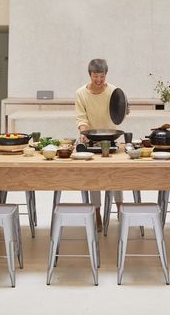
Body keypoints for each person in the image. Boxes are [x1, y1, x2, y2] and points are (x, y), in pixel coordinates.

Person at [75, 58, 123, 231]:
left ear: (106, 75)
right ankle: (97, 213)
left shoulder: (113, 91)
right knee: (95, 177)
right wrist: (84, 132)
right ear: (90, 75)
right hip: (91, 138)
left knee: (116, 175)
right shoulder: (81, 93)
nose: (99, 80)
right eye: (95, 76)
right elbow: (81, 117)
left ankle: (120, 209)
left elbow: (121, 109)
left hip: (111, 137)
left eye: (102, 76)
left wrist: (126, 109)